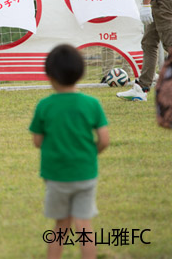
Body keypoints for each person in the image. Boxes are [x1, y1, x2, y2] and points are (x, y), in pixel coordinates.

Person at [29, 44, 109, 259]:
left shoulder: (44, 106)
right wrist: (91, 153)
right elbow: (104, 140)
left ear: (49, 75)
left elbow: (37, 141)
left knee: (60, 226)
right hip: (85, 174)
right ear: (81, 72)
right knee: (84, 225)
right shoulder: (92, 104)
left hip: (56, 176)